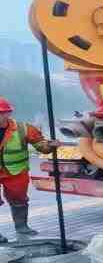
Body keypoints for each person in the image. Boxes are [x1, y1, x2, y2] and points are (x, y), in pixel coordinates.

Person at [0, 97, 60, 243]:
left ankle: (22, 227)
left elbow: (41, 146)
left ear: (8, 114)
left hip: (16, 172)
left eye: (2, 113)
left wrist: (51, 145)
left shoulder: (23, 129)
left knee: (19, 200)